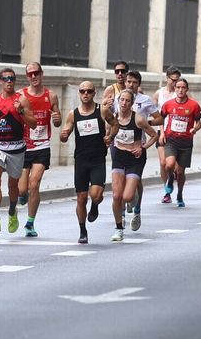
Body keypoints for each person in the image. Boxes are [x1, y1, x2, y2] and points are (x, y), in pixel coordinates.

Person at [105, 89, 159, 241]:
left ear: (132, 103)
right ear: (118, 101)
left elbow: (154, 135)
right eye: (122, 100)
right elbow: (108, 135)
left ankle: (133, 195)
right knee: (116, 196)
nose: (124, 103)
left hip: (135, 158)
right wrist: (107, 139)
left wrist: (142, 147)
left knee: (127, 197)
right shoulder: (113, 118)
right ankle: (118, 229)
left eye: (127, 100)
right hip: (119, 157)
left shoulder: (138, 119)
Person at [16, 62, 60, 238]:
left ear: (42, 74)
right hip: (23, 145)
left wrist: (57, 119)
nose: (33, 77)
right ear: (27, 77)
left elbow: (57, 121)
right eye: (30, 74)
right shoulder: (20, 95)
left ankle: (30, 222)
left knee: (35, 184)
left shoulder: (52, 96)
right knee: (22, 189)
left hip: (42, 145)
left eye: (36, 73)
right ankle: (22, 195)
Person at [0, 68, 30, 233]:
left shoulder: (21, 100)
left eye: (12, 78)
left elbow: (33, 124)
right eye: (5, 79)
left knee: (12, 185)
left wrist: (21, 111)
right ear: (0, 82)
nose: (9, 81)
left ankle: (11, 211)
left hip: (17, 147)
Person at [61, 80, 107, 245]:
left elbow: (114, 124)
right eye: (82, 91)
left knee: (95, 194)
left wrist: (109, 136)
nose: (85, 94)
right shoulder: (73, 114)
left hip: (97, 159)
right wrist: (64, 135)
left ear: (94, 93)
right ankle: (83, 230)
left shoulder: (101, 110)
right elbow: (64, 133)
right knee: (81, 198)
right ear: (79, 94)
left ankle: (95, 205)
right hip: (81, 160)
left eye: (89, 91)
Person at [156, 77, 201, 207]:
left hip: (186, 142)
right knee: (169, 164)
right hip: (171, 140)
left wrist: (195, 128)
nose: (180, 90)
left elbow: (199, 123)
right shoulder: (168, 104)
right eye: (178, 87)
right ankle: (170, 178)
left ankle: (180, 194)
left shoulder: (194, 105)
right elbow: (160, 119)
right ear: (175, 89)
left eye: (183, 87)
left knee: (181, 172)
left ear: (187, 89)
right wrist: (162, 133)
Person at [153, 65, 184, 202]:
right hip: (162, 131)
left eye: (178, 80)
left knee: (175, 167)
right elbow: (156, 114)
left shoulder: (180, 94)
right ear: (167, 78)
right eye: (173, 80)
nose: (176, 83)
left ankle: (172, 178)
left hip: (176, 133)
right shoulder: (158, 94)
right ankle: (167, 192)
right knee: (162, 163)